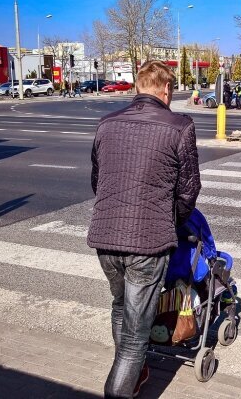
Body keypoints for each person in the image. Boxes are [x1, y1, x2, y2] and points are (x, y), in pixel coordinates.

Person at [88, 60, 201, 399]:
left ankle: (134, 375)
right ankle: (118, 389)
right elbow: (188, 190)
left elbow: (97, 179)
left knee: (121, 307)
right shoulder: (179, 126)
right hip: (147, 242)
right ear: (166, 90)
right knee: (137, 336)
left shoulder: (106, 124)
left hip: (105, 237)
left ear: (138, 88)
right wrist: (174, 222)